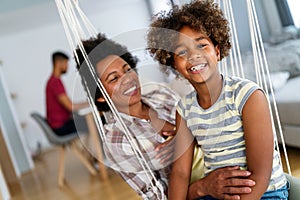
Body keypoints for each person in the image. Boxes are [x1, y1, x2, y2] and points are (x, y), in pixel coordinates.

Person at [75, 33, 255, 199]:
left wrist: (186, 138)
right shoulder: (117, 141)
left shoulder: (160, 94)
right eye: (114, 78)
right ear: (100, 95)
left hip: (226, 167)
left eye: (127, 69)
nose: (127, 79)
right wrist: (204, 187)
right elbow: (159, 197)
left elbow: (206, 127)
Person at [147, 0, 289, 199]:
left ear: (217, 51)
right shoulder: (185, 109)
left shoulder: (248, 96)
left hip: (264, 193)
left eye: (202, 45)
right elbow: (180, 173)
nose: (194, 55)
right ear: (173, 64)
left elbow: (261, 176)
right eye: (182, 52)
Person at [46, 51, 88, 136]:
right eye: (66, 63)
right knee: (93, 123)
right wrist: (89, 103)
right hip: (61, 127)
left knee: (87, 121)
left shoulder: (52, 81)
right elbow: (70, 107)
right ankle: (99, 148)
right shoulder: (55, 82)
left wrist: (87, 103)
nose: (67, 67)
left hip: (60, 124)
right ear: (58, 63)